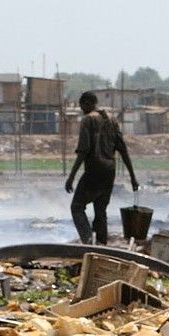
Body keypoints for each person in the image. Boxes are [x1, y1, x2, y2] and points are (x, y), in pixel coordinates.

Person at [65, 91, 138, 245]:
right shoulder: (112, 120)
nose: (82, 109)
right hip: (109, 172)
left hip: (94, 170)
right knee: (100, 211)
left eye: (82, 106)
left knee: (77, 207)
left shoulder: (88, 120)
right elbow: (123, 150)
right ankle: (102, 246)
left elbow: (83, 151)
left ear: (87, 104)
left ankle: (87, 241)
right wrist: (133, 177)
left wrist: (71, 177)